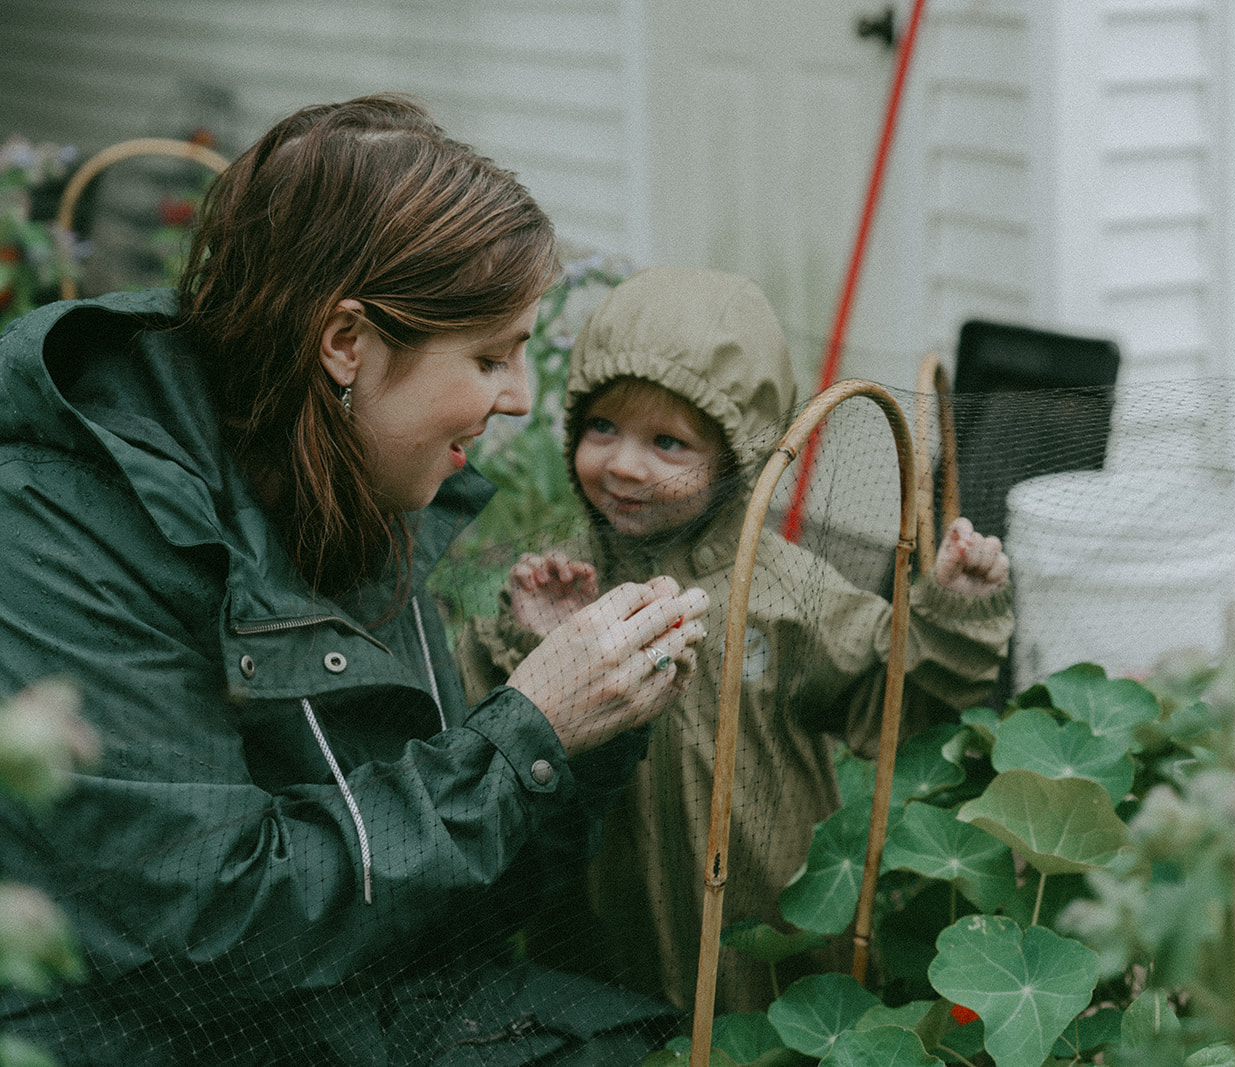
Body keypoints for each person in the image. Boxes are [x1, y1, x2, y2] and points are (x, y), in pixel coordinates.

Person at [0, 95, 710, 1066]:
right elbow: (217, 923)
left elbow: (429, 899)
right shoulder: (66, 526)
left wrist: (581, 730)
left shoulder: (340, 471)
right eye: (490, 356)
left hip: (330, 1005)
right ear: (345, 342)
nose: (521, 398)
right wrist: (523, 731)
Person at [455, 266, 1014, 1014]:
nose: (624, 463)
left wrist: (951, 610)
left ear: (736, 457)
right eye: (601, 427)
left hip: (768, 957)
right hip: (594, 959)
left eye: (667, 442)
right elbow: (481, 730)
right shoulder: (569, 582)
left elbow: (893, 692)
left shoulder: (784, 593)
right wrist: (534, 642)